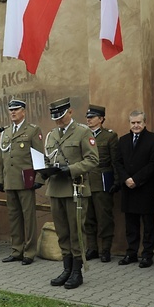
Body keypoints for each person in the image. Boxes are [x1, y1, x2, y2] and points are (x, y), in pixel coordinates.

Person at [44, 98, 99, 289]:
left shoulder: (83, 132)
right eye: (55, 118)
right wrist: (43, 169)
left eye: (61, 117)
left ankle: (77, 270)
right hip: (56, 188)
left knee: (76, 231)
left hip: (76, 188)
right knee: (62, 232)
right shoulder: (51, 135)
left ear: (70, 112)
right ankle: (66, 268)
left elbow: (93, 160)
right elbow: (48, 159)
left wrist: (72, 169)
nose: (58, 121)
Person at [0, 99, 44, 265]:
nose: (13, 113)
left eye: (16, 110)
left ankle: (29, 252)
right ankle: (17, 250)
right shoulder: (6, 133)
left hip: (25, 181)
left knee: (28, 217)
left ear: (23, 111)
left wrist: (39, 178)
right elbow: (0, 159)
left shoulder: (32, 130)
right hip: (10, 181)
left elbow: (38, 155)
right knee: (14, 217)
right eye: (11, 110)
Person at [114, 111, 154, 268]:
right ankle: (131, 253)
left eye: (139, 122)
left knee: (148, 225)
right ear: (129, 124)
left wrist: (136, 179)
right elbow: (118, 163)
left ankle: (147, 255)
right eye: (133, 123)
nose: (136, 125)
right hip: (128, 188)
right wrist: (126, 179)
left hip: (145, 188)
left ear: (145, 123)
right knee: (131, 224)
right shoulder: (123, 140)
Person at [83, 104, 119, 263]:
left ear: (101, 119)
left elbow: (115, 161)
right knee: (88, 217)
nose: (89, 120)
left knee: (104, 217)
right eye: (88, 118)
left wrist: (117, 181)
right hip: (85, 182)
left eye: (92, 117)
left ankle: (105, 250)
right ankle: (92, 248)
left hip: (103, 181)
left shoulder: (109, 136)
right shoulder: (83, 135)